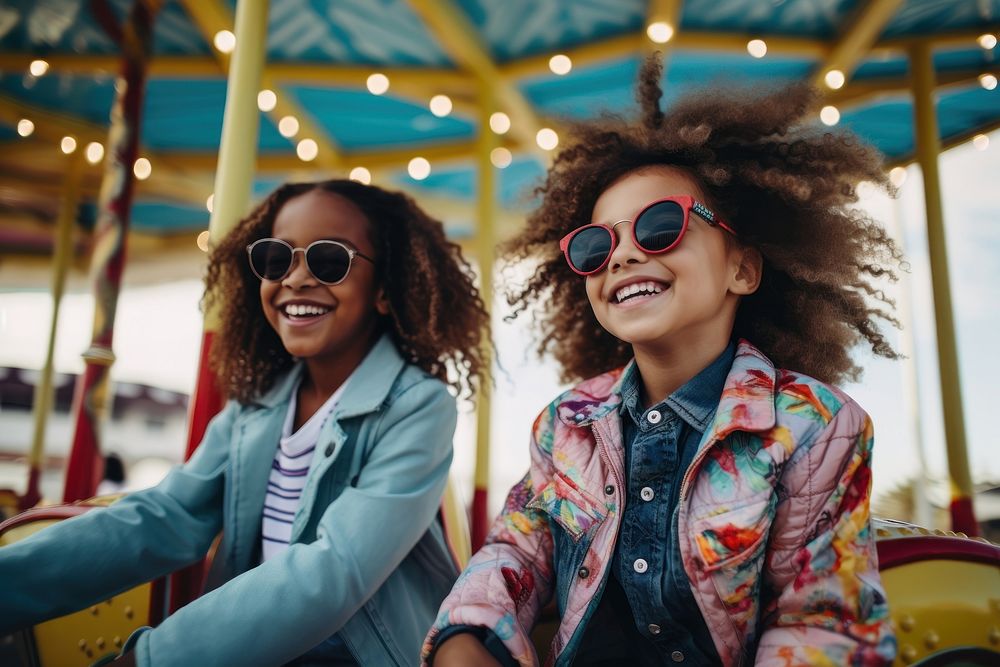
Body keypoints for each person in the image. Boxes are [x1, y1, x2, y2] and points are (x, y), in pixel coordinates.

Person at [423, 56, 900, 666]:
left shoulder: (814, 426)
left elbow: (822, 623)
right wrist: (466, 636)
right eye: (596, 245)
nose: (620, 256)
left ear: (742, 268)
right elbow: (515, 553)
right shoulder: (567, 423)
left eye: (660, 227)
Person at [0, 179, 490, 666]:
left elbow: (335, 569)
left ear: (384, 290)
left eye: (329, 260)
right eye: (277, 259)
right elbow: (167, 516)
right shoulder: (255, 408)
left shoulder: (417, 406)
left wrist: (150, 659)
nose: (296, 278)